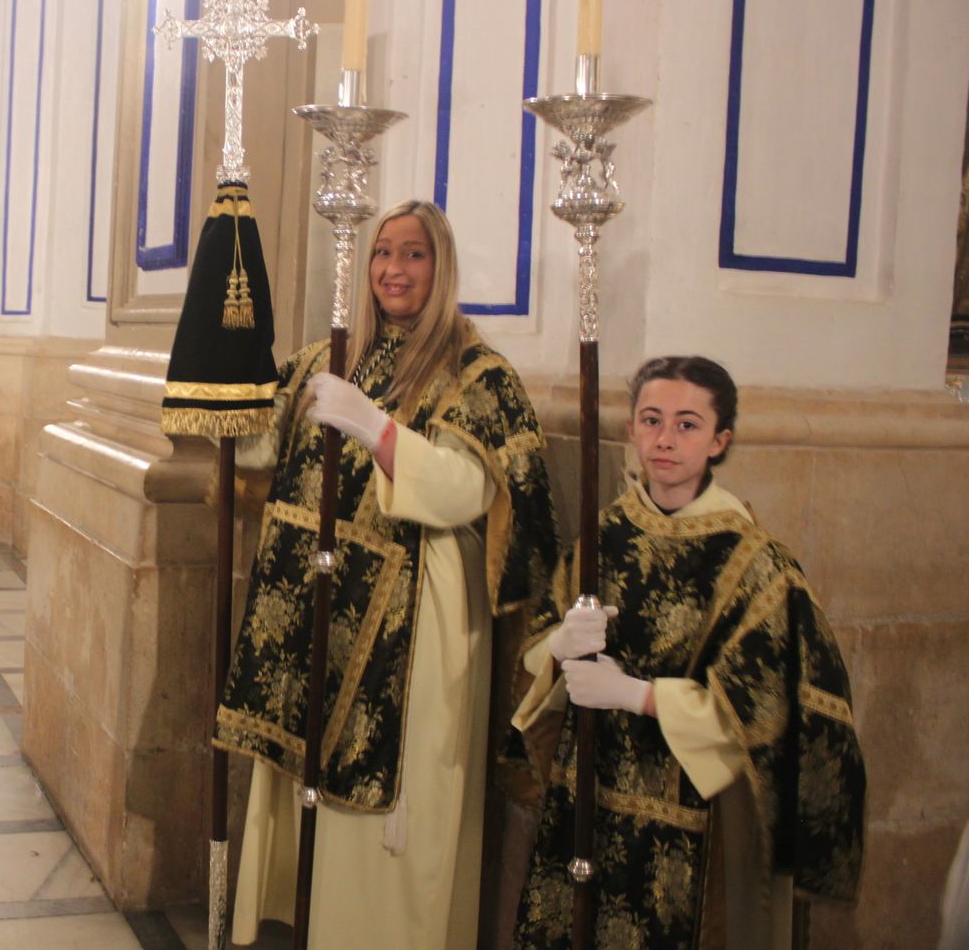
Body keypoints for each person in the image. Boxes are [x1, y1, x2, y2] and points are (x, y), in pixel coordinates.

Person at [214, 199, 559, 948]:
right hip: (312, 619)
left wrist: (376, 430)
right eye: (382, 253)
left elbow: (475, 491)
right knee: (304, 808)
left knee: (393, 813)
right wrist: (222, 369)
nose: (394, 270)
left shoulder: (479, 375)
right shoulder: (326, 358)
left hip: (413, 631)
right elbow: (251, 451)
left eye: (413, 255)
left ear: (441, 268)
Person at [512, 356, 867, 949]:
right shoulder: (602, 539)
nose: (664, 439)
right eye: (651, 420)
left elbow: (764, 713)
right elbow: (537, 646)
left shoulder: (758, 567)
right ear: (630, 430)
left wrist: (639, 695)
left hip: (693, 819)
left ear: (720, 440)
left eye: (687, 424)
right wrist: (558, 644)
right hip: (590, 799)